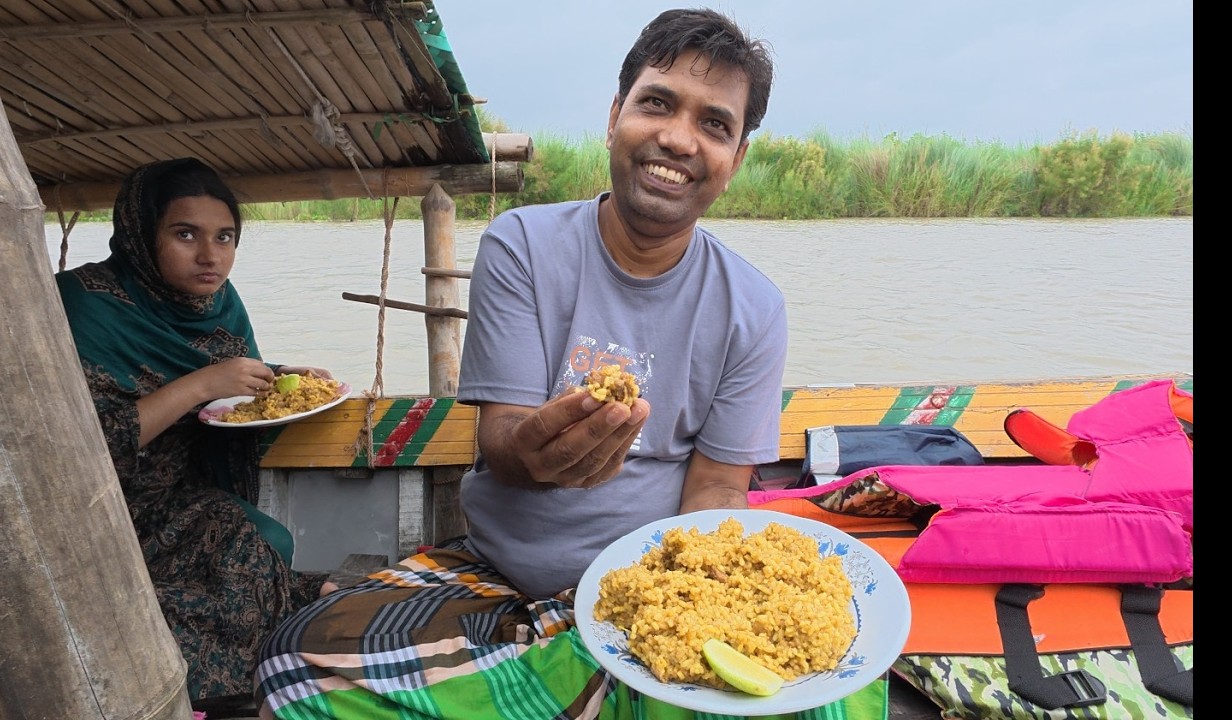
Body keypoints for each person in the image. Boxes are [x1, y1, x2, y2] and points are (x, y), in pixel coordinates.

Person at [253, 10, 875, 720]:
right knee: (294, 667)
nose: (678, 138)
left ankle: (580, 676)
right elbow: (500, 443)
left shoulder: (754, 308)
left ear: (735, 157)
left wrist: (682, 603)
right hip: (495, 578)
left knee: (831, 697)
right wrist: (542, 454)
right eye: (657, 103)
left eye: (714, 124)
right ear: (614, 117)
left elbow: (716, 488)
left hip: (649, 589)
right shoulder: (522, 244)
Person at [54, 157, 339, 702]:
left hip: (171, 495)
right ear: (141, 234)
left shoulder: (216, 303)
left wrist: (282, 376)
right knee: (167, 606)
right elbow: (76, 448)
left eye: (224, 237)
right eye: (185, 234)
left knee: (258, 541)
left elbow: (225, 379)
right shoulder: (81, 303)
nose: (211, 256)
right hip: (86, 508)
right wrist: (203, 383)